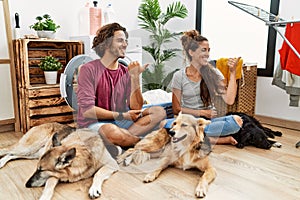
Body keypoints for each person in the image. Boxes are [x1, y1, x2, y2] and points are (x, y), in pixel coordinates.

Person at [76, 23, 166, 156]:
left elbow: (135, 106)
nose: (125, 44)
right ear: (106, 44)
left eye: (125, 41)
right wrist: (122, 115)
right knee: (111, 131)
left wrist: (135, 77)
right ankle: (147, 144)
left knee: (158, 112)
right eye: (120, 40)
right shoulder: (88, 69)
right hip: (94, 124)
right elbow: (88, 111)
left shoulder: (125, 71)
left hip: (119, 121)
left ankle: (122, 142)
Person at [164, 30, 243, 145]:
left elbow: (229, 100)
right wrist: (202, 112)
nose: (207, 54)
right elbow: (176, 109)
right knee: (164, 124)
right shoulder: (179, 76)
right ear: (191, 52)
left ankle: (192, 137)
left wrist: (232, 73)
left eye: (208, 50)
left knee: (237, 121)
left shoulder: (213, 73)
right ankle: (213, 139)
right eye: (203, 50)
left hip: (207, 122)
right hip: (187, 120)